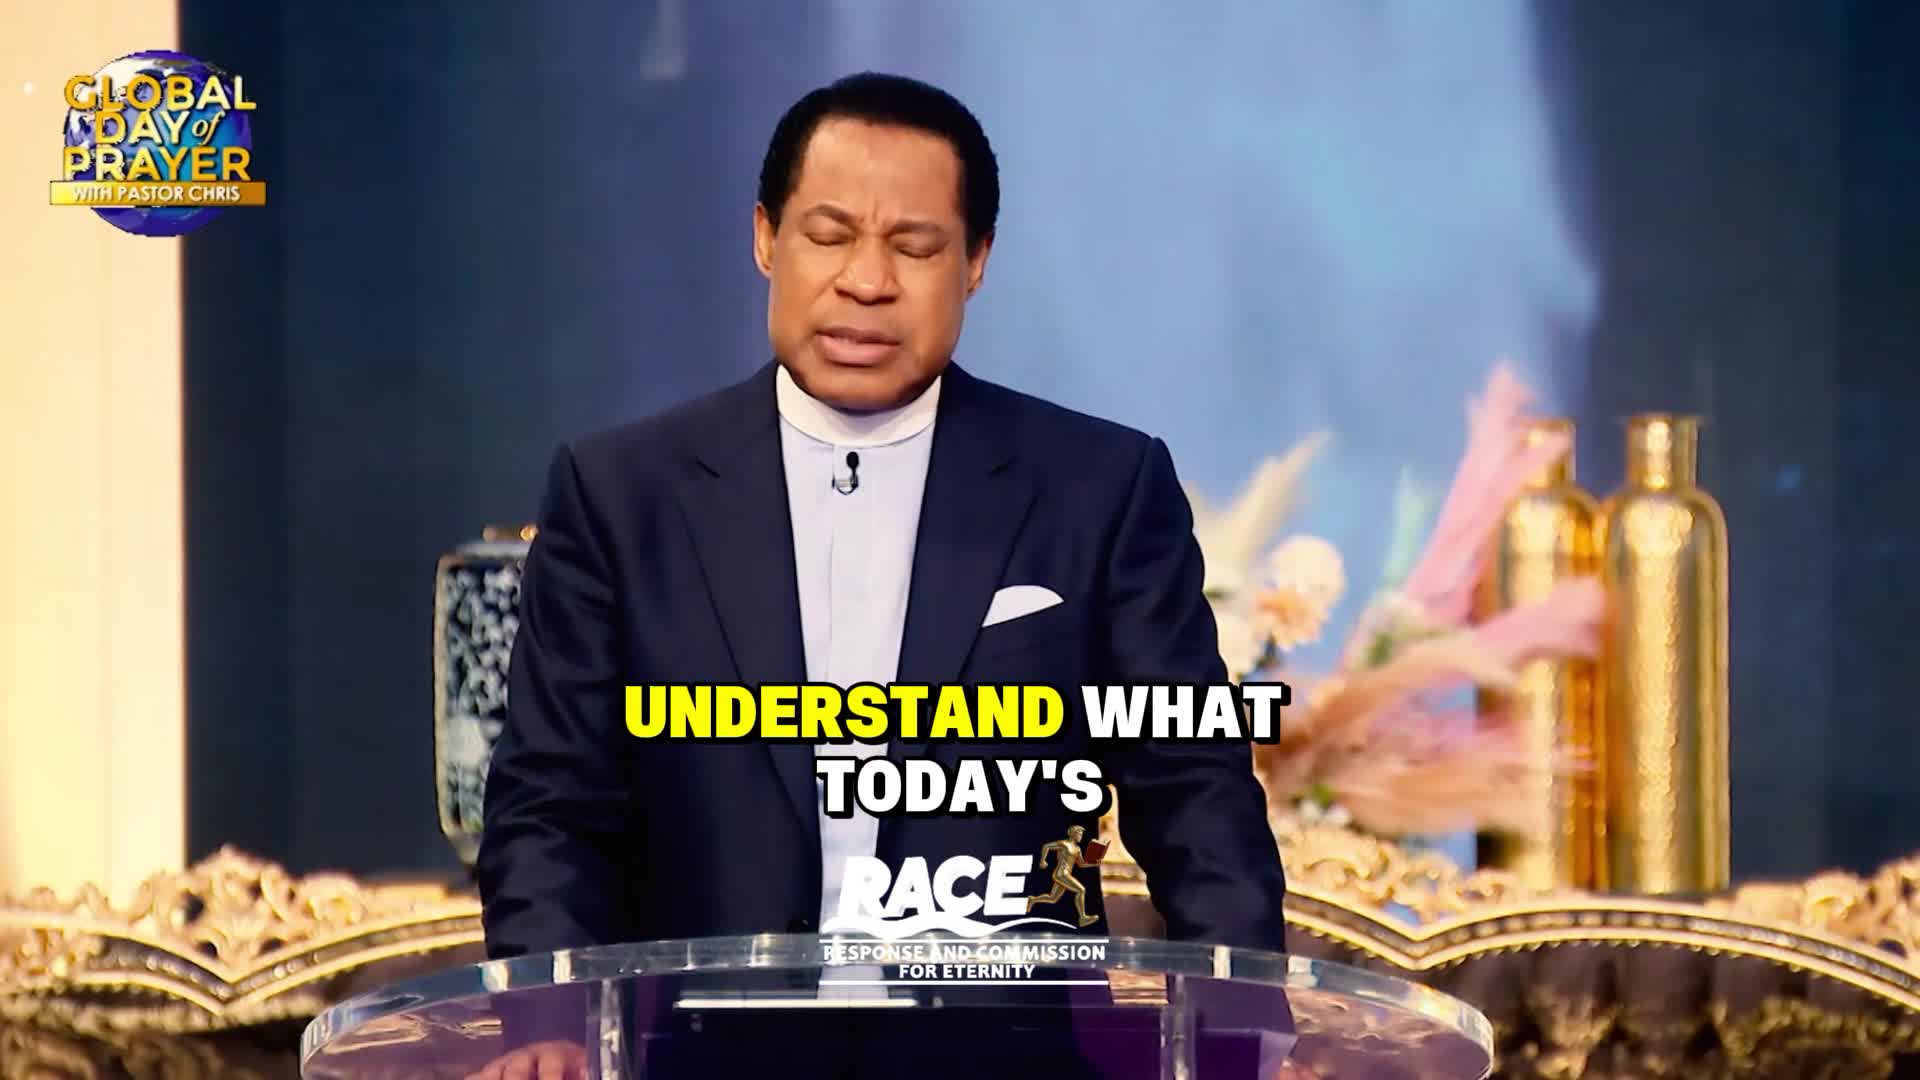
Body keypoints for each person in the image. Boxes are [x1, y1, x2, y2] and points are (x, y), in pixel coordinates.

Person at [476, 71, 1286, 969]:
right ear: (765, 238)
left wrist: (1244, 1015)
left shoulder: (1101, 489)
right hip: (693, 1028)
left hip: (993, 1032)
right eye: (829, 237)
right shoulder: (620, 495)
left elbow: (1197, 793)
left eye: (915, 246)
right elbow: (549, 811)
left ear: (975, 262)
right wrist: (547, 1019)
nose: (866, 282)